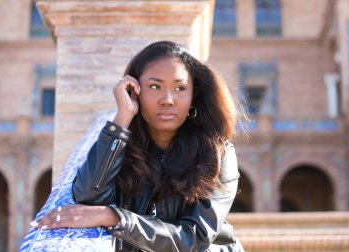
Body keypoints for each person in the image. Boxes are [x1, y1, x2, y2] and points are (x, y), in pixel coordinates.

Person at [31, 41, 245, 251]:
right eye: (155, 86)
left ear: (193, 96)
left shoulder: (218, 153)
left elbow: (194, 239)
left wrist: (114, 217)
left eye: (180, 88)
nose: (168, 99)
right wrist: (123, 116)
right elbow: (88, 197)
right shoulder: (121, 144)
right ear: (135, 90)